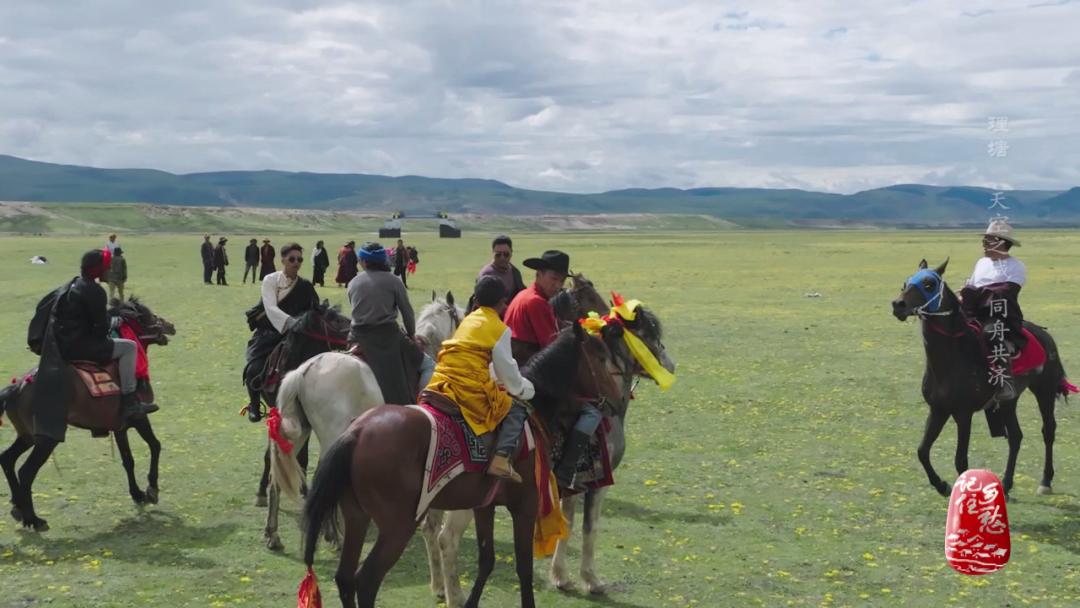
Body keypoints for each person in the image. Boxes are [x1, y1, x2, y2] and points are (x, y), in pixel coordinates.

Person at [504, 249, 600, 488]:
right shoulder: (536, 303)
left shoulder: (524, 295)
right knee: (593, 411)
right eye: (553, 279)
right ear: (539, 274)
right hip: (533, 375)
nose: (557, 286)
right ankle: (565, 474)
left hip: (517, 368)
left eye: (561, 281)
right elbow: (552, 346)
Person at [423, 276, 535, 481]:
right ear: (502, 302)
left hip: (440, 380)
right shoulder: (499, 328)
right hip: (466, 387)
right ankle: (501, 459)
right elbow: (508, 375)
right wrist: (525, 389)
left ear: (476, 300)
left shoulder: (467, 320)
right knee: (517, 408)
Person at [52, 248, 157, 423]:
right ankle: (130, 401)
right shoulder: (95, 290)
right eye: (107, 268)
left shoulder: (73, 285)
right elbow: (100, 330)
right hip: (83, 347)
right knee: (129, 347)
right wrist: (113, 323)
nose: (110, 271)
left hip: (65, 345)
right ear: (97, 270)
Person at [242, 243, 320, 422]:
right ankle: (254, 404)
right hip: (269, 332)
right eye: (292, 259)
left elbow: (315, 309)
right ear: (283, 260)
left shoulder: (305, 286)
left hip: (297, 334)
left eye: (299, 259)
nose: (296, 263)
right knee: (253, 368)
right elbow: (269, 307)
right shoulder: (271, 280)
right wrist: (290, 322)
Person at [346, 242, 423, 404]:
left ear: (365, 262)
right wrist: (411, 334)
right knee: (425, 362)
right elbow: (407, 313)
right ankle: (419, 402)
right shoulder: (394, 281)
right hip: (387, 336)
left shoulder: (353, 282)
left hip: (357, 337)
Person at [960, 219, 1027, 402]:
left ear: (1001, 243)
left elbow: (1006, 292)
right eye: (984, 241)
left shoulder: (1016, 266)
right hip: (973, 310)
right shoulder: (981, 262)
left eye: (987, 241)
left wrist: (974, 293)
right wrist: (962, 295)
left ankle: (1004, 382)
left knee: (991, 332)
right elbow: (971, 286)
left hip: (999, 315)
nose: (983, 245)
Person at [477, 235, 526, 301]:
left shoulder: (515, 272)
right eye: (498, 254)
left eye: (506, 254)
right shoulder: (486, 275)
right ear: (493, 253)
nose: (502, 258)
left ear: (511, 252)